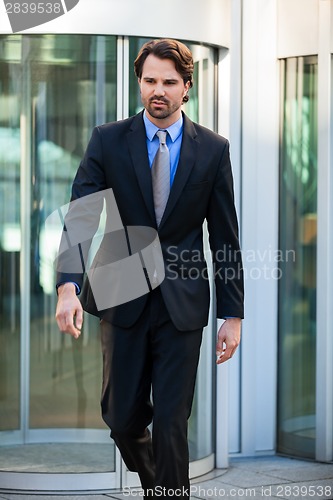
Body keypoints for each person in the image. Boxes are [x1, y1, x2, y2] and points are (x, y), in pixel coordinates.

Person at [55, 38, 244, 499]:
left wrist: (232, 314)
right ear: (139, 82)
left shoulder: (213, 150)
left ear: (187, 88)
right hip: (122, 294)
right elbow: (83, 213)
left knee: (173, 422)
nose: (157, 90)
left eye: (169, 82)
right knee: (121, 419)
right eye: (149, 81)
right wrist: (67, 287)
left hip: (183, 301)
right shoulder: (108, 139)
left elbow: (225, 236)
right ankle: (161, 486)